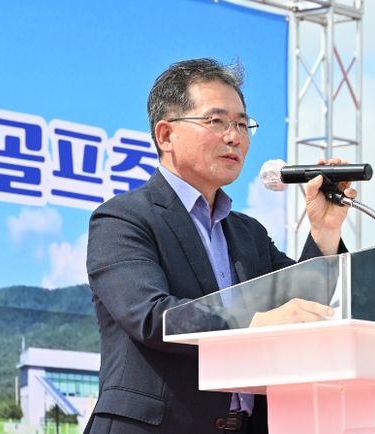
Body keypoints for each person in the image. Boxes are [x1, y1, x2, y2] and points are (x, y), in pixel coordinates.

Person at [83, 58, 356, 434]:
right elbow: (152, 316)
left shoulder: (248, 233)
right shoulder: (122, 219)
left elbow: (304, 309)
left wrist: (324, 230)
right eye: (216, 121)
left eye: (243, 124)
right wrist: (253, 322)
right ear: (166, 135)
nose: (235, 137)